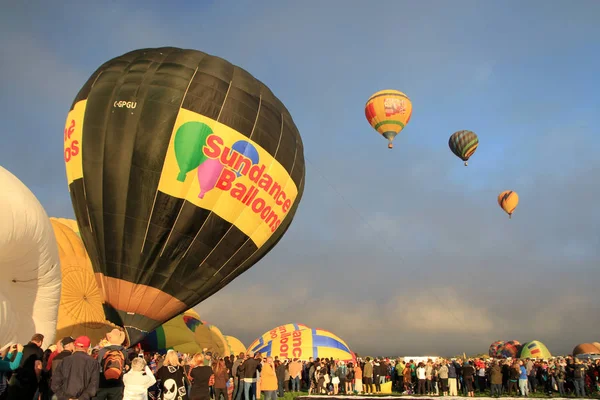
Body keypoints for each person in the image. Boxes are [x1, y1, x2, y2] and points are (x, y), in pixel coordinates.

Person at [51, 336, 100, 400]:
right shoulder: (93, 362)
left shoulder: (64, 361)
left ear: (75, 346)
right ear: (88, 348)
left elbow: (55, 384)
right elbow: (93, 386)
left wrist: (66, 398)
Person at [7, 333, 44, 400]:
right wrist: (38, 379)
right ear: (40, 342)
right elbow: (37, 366)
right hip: (28, 381)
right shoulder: (38, 350)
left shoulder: (21, 348)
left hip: (15, 377)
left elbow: (11, 362)